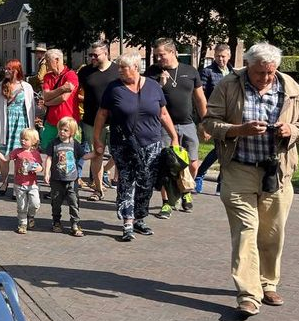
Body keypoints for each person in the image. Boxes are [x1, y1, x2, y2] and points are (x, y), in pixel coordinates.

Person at [201, 42, 299, 318]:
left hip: (277, 171)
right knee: (245, 230)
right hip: (239, 169)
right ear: (247, 66)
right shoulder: (229, 84)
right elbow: (209, 121)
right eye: (259, 72)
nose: (265, 77)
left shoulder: (290, 87)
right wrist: (238, 129)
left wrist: (292, 130)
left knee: (272, 233)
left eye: (270, 72)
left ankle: (268, 283)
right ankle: (248, 294)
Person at [93, 53, 180, 242]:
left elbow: (163, 114)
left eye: (123, 67)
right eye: (119, 67)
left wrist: (173, 137)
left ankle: (140, 217)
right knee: (127, 180)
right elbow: (101, 114)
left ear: (135, 67)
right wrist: (97, 139)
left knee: (146, 182)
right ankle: (127, 222)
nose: (119, 71)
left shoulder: (153, 86)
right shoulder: (114, 88)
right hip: (123, 144)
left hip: (152, 143)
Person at [144, 38, 206, 218]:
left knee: (193, 163)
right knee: (166, 166)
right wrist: (159, 85)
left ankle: (185, 191)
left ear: (173, 52)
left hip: (187, 124)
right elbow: (147, 98)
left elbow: (200, 99)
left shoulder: (190, 71)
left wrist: (206, 122)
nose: (158, 58)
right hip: (162, 126)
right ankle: (166, 203)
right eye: (156, 55)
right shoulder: (152, 73)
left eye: (161, 55)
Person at [0, 59, 37, 195]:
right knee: (4, 156)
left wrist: (32, 129)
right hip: (4, 125)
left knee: (20, 157)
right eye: (6, 69)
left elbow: (31, 109)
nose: (6, 71)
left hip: (21, 125)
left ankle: (17, 185)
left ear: (17, 71)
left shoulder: (27, 87)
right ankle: (4, 181)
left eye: (9, 69)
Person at [77, 41, 120, 201]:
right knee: (97, 155)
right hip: (92, 121)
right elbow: (75, 91)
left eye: (96, 55)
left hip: (116, 120)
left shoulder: (117, 70)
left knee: (120, 154)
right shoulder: (85, 72)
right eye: (90, 55)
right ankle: (98, 188)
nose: (92, 58)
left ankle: (119, 187)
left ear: (106, 53)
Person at [42, 117, 95, 237]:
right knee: (56, 202)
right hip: (57, 179)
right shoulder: (54, 143)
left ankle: (75, 224)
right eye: (60, 129)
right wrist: (46, 173)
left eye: (65, 130)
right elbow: (49, 158)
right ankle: (56, 221)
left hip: (72, 179)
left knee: (74, 202)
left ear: (72, 132)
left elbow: (83, 156)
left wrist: (95, 153)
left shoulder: (75, 144)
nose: (62, 132)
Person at [196, 43, 235, 193]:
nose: (221, 59)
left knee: (227, 149)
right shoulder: (207, 72)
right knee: (220, 148)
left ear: (229, 56)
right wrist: (204, 120)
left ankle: (221, 182)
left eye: (223, 56)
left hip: (230, 115)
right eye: (218, 56)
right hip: (215, 115)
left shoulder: (233, 73)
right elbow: (201, 96)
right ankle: (201, 173)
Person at [0, 128, 42, 234]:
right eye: (21, 138)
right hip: (19, 184)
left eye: (26, 139)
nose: (22, 141)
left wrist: (39, 169)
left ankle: (30, 216)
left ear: (33, 141)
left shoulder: (35, 154)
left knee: (35, 204)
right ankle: (22, 223)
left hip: (32, 184)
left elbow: (40, 167)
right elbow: (5, 159)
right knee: (21, 205)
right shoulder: (16, 152)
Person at [40, 49, 79, 150]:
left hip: (68, 122)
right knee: (47, 150)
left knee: (68, 153)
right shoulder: (47, 77)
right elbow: (46, 96)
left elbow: (64, 98)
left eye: (47, 61)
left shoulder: (71, 75)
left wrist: (48, 103)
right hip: (51, 121)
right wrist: (62, 88)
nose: (46, 64)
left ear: (56, 60)